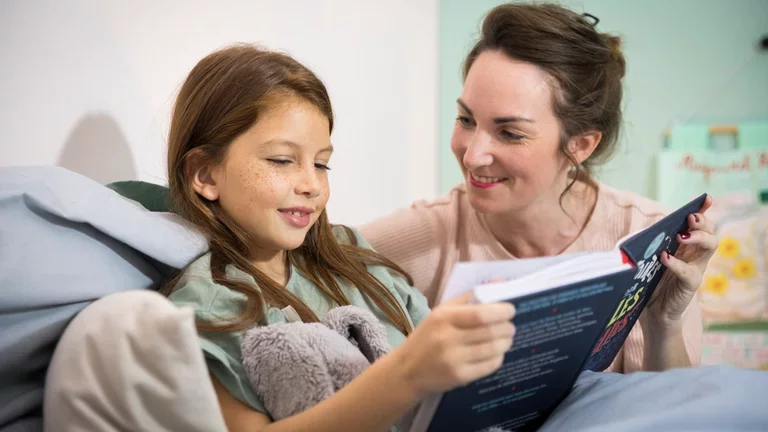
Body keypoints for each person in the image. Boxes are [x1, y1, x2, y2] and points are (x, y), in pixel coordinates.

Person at [162, 44, 515, 431]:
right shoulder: (211, 307)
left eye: (321, 163)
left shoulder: (352, 255)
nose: (312, 184)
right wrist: (408, 375)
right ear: (206, 175)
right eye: (282, 160)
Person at [359, 3, 718, 373]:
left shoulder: (648, 239)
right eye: (466, 119)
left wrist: (663, 325)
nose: (472, 156)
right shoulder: (422, 237)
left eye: (510, 133)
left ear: (580, 145)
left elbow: (674, 412)